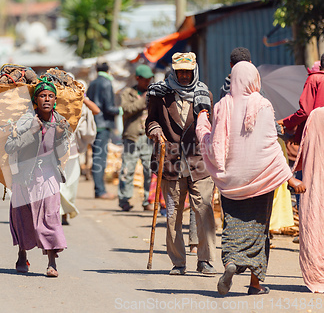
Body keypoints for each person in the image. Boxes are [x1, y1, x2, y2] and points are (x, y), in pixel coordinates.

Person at [195, 61, 305, 295]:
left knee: (233, 225)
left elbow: (214, 142)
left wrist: (202, 124)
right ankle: (255, 285)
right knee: (259, 230)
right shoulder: (263, 105)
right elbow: (271, 146)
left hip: (231, 182)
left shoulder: (222, 105)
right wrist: (289, 177)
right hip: (261, 179)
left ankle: (231, 263)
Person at [146, 52, 217, 276]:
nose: (184, 76)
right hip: (171, 161)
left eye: (188, 71)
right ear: (174, 72)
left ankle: (205, 260)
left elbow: (212, 126)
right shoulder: (160, 95)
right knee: (173, 215)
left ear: (194, 71)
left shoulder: (205, 95)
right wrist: (155, 129)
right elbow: (151, 120)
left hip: (200, 162)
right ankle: (178, 262)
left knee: (204, 211)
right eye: (180, 72)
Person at [4, 78, 70, 277]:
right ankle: (22, 254)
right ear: (36, 100)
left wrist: (59, 136)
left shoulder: (60, 122)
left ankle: (52, 262)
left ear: (55, 100)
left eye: (50, 96)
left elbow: (63, 152)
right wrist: (31, 133)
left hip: (49, 175)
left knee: (51, 216)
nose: (46, 99)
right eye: (42, 96)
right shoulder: (26, 121)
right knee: (24, 218)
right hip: (25, 176)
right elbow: (10, 146)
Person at [292, 107, 324, 293]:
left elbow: (303, 151)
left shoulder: (316, 115)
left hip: (316, 181)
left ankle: (317, 275)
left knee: (315, 223)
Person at [117, 64, 154, 212]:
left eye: (149, 79)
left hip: (147, 137)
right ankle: (124, 200)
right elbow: (127, 109)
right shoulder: (128, 93)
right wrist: (143, 100)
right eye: (144, 80)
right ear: (137, 78)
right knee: (128, 169)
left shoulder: (153, 92)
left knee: (149, 170)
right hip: (131, 137)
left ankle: (148, 200)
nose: (147, 82)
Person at [60, 96, 99, 225]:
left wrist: (83, 98)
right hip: (54, 154)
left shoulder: (78, 103)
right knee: (58, 186)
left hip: (72, 152)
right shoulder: (51, 103)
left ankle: (65, 213)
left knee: (71, 186)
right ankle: (57, 213)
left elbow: (96, 110)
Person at [86, 59, 121, 200]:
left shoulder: (92, 83)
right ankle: (100, 191)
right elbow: (108, 107)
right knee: (100, 158)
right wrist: (121, 110)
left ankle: (98, 189)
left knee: (96, 156)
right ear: (108, 70)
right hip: (103, 124)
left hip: (94, 124)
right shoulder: (106, 83)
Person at [277, 53, 324, 144]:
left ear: (320, 65)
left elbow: (305, 112)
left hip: (317, 135)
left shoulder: (314, 79)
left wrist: (285, 122)